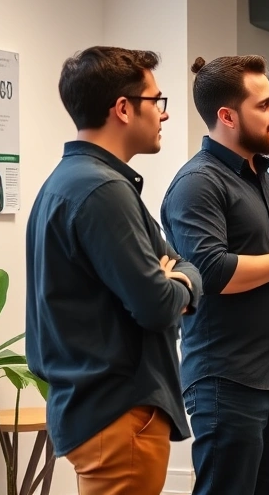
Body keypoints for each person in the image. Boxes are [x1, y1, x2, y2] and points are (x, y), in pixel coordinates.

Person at [25, 46, 202, 495]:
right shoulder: (101, 190)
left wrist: (176, 274)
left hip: (102, 409)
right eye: (156, 101)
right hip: (120, 411)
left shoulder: (75, 182)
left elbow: (177, 263)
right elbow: (158, 303)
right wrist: (179, 282)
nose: (163, 115)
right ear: (123, 108)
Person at [160, 55, 269, 495]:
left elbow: (263, 266)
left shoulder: (259, 175)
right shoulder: (198, 183)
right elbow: (211, 271)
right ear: (227, 116)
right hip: (227, 379)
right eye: (265, 104)